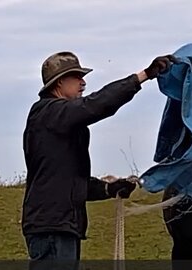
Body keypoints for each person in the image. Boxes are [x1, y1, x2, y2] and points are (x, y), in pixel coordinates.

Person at [21, 51, 178, 265]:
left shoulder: (59, 122)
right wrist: (143, 76)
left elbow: (73, 184)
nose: (83, 82)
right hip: (52, 229)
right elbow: (97, 104)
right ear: (58, 83)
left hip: (58, 226)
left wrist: (109, 189)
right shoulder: (49, 113)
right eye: (76, 77)